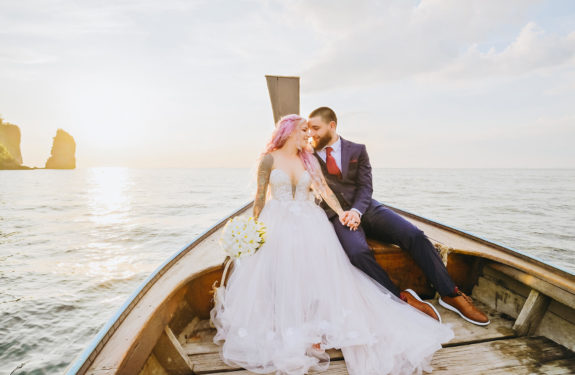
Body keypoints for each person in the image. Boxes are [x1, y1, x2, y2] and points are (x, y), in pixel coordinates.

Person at [210, 114, 453, 375]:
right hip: (277, 221)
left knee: (316, 273)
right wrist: (253, 230)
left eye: (309, 130)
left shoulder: (308, 158)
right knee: (284, 270)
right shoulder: (269, 159)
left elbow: (325, 191)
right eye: (304, 130)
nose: (308, 135)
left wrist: (343, 213)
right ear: (290, 130)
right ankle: (291, 322)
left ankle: (315, 325)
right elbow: (259, 198)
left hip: (310, 222)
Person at [307, 106, 490, 326]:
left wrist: (356, 211)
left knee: (414, 234)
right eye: (308, 129)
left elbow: (365, 187)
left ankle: (450, 294)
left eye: (315, 128)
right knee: (357, 253)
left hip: (366, 208)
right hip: (337, 216)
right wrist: (343, 214)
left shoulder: (358, 150)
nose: (311, 134)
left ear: (332, 125)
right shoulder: (307, 154)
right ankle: (401, 296)